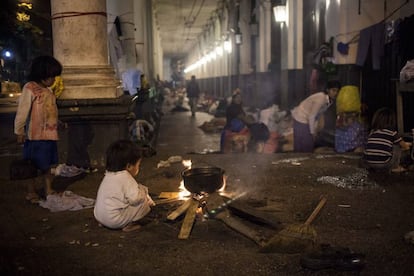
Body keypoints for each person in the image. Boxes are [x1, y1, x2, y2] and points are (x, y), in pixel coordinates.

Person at [14, 55, 63, 203]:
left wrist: (58, 122)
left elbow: (51, 112)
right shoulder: (30, 89)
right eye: (52, 76)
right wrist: (19, 131)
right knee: (32, 167)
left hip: (50, 136)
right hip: (35, 137)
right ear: (43, 75)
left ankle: (48, 189)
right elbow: (22, 111)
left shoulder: (48, 91)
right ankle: (31, 192)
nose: (54, 80)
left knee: (48, 166)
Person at [94, 139, 155, 232]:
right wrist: (144, 193)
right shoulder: (125, 177)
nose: (139, 167)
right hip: (115, 220)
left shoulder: (108, 174)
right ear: (129, 166)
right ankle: (130, 225)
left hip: (99, 216)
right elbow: (136, 199)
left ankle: (105, 222)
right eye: (138, 164)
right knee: (143, 204)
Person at [291, 80, 341, 152]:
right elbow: (312, 116)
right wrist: (312, 132)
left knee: (307, 145)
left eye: (337, 91)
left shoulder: (330, 101)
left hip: (306, 118)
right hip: (301, 117)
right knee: (305, 146)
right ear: (327, 90)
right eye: (333, 90)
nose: (336, 93)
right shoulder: (321, 98)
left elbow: (318, 114)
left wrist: (315, 128)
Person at [361, 107, 412, 173]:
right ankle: (395, 167)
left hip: (369, 163)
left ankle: (375, 168)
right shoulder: (392, 133)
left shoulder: (372, 132)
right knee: (396, 146)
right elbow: (405, 146)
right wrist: (409, 145)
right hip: (384, 164)